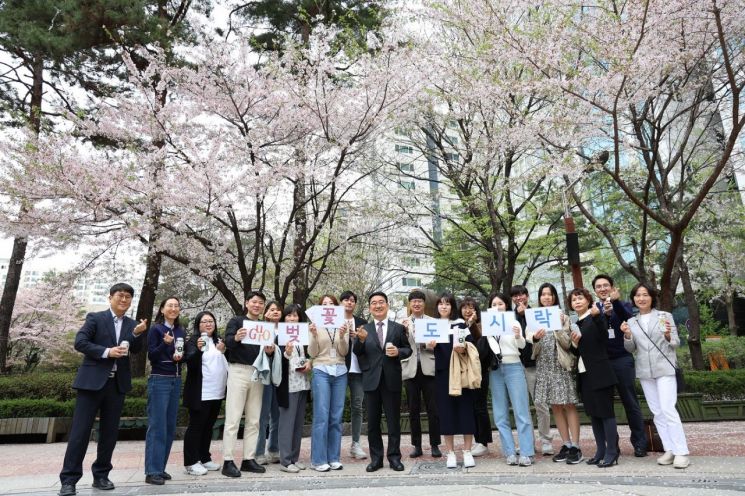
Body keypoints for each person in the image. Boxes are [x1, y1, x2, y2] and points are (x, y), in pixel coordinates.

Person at [58, 283, 147, 496]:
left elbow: (135, 350)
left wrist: (136, 334)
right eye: (120, 296)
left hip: (116, 385)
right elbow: (80, 342)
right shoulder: (96, 318)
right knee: (80, 433)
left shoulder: (133, 324)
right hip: (91, 384)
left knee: (109, 434)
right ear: (110, 298)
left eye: (128, 297)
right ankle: (69, 480)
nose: (124, 300)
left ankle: (101, 475)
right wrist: (107, 352)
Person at [621, 282, 689, 469]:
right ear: (633, 299)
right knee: (657, 412)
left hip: (664, 368)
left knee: (668, 409)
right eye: (637, 295)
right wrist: (627, 335)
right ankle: (669, 449)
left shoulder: (664, 316)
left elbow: (675, 342)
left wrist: (668, 335)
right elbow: (631, 348)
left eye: (645, 295)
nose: (641, 298)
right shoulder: (632, 322)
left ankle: (681, 452)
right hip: (644, 370)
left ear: (652, 297)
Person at [353, 291, 412, 472]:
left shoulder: (398, 328)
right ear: (370, 307)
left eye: (381, 302)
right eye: (373, 303)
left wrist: (398, 352)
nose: (377, 306)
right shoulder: (365, 329)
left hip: (392, 379)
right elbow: (357, 352)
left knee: (393, 422)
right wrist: (360, 341)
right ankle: (376, 459)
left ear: (387, 305)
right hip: (371, 381)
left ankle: (394, 457)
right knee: (373, 423)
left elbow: (408, 349)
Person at [592, 274, 648, 457]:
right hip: (603, 363)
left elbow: (630, 320)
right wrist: (602, 314)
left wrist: (614, 304)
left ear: (612, 287)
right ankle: (612, 445)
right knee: (606, 406)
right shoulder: (593, 309)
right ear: (594, 290)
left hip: (622, 359)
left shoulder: (622, 304)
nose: (602, 289)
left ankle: (639, 443)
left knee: (630, 402)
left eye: (605, 285)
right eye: (598, 286)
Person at [221, 290, 275, 477]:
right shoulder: (236, 322)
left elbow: (268, 353)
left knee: (254, 420)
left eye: (261, 303)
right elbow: (227, 342)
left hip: (257, 373)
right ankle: (228, 461)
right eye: (254, 302)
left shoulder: (264, 326)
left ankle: (248, 459)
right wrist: (236, 337)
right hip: (238, 371)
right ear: (246, 303)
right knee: (233, 418)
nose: (257, 305)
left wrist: (269, 351)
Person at [478, 293, 534, 467]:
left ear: (506, 305)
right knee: (500, 413)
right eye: (493, 304)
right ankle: (509, 452)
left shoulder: (514, 321)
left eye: (500, 303)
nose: (497, 307)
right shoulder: (487, 324)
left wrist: (518, 336)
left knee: (521, 411)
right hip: (495, 370)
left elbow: (523, 346)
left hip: (514, 366)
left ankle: (526, 452)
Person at [529, 283, 582, 464]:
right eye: (543, 294)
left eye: (550, 294)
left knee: (568, 404)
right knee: (555, 406)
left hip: (560, 365)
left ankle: (576, 445)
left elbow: (568, 344)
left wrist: (558, 327)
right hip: (544, 366)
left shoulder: (563, 317)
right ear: (540, 297)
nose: (546, 297)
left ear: (554, 297)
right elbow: (532, 344)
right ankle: (566, 444)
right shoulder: (534, 318)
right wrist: (535, 337)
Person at [569, 287, 619, 468]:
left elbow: (605, 336)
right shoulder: (576, 323)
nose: (577, 302)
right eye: (574, 300)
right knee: (594, 415)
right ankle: (600, 451)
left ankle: (612, 452)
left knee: (606, 413)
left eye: (580, 298)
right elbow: (578, 351)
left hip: (601, 373)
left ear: (588, 300)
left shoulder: (595, 316)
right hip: (585, 374)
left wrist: (598, 316)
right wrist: (574, 344)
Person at [430, 292, 479, 469]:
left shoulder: (459, 324)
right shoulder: (432, 326)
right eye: (441, 304)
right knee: (446, 412)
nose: (444, 307)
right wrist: (430, 345)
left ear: (452, 307)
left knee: (466, 410)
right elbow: (425, 347)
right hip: (442, 374)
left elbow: (470, 345)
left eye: (447, 304)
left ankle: (466, 451)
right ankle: (450, 452)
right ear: (436, 307)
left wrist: (462, 348)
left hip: (461, 373)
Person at [144, 297, 186, 485]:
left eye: (176, 306)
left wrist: (181, 356)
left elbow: (180, 354)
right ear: (162, 309)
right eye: (169, 305)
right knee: (157, 426)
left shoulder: (180, 330)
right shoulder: (156, 329)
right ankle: (152, 471)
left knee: (169, 427)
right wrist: (165, 344)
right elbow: (152, 355)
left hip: (176, 380)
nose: (173, 308)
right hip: (160, 379)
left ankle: (160, 467)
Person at [182, 311, 228, 476]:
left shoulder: (219, 341)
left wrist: (224, 350)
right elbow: (191, 364)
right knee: (196, 427)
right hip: (201, 392)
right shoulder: (194, 341)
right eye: (204, 322)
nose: (208, 324)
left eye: (211, 321)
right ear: (198, 325)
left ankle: (204, 457)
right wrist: (199, 350)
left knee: (208, 426)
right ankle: (190, 462)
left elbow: (226, 361)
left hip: (217, 391)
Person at [510, 285, 553, 456]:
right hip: (513, 365)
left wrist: (525, 315)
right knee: (522, 407)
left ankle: (546, 440)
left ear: (527, 296)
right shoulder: (507, 316)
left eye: (522, 294)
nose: (519, 298)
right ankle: (528, 442)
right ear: (512, 298)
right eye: (515, 295)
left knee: (541, 404)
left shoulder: (536, 313)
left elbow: (539, 336)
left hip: (534, 363)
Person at [309, 294, 349, 472]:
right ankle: (318, 459)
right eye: (324, 304)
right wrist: (313, 335)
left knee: (336, 416)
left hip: (340, 370)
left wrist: (342, 336)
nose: (328, 307)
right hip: (321, 370)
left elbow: (344, 351)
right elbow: (312, 352)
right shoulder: (315, 325)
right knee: (322, 415)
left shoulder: (342, 324)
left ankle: (334, 457)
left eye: (331, 304)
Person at [401, 289, 442, 458]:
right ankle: (416, 445)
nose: (416, 304)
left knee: (434, 409)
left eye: (419, 301)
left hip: (429, 368)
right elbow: (401, 346)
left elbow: (439, 346)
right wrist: (403, 331)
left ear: (424, 304)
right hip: (410, 369)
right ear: (410, 305)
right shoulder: (402, 323)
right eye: (413, 301)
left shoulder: (434, 322)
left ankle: (435, 444)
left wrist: (430, 345)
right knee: (413, 409)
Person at [277, 304, 312, 473]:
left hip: (302, 382)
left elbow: (306, 356)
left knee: (297, 424)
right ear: (284, 318)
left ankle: (294, 457)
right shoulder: (279, 335)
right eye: (289, 316)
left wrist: (308, 363)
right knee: (287, 423)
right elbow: (278, 359)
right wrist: (287, 352)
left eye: (295, 315)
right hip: (288, 385)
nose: (292, 318)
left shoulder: (302, 336)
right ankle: (285, 460)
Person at [460, 295, 492, 457]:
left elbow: (482, 349)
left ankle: (483, 441)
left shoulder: (483, 326)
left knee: (479, 407)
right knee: (469, 407)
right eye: (464, 307)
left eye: (471, 307)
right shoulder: (458, 326)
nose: (467, 310)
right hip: (462, 373)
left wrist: (472, 325)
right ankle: (473, 439)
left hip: (479, 372)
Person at [340, 290, 369, 460]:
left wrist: (358, 339)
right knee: (336, 407)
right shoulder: (334, 321)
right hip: (339, 368)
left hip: (358, 370)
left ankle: (356, 443)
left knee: (357, 406)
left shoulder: (362, 323)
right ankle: (332, 444)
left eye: (352, 300)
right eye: (346, 300)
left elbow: (367, 346)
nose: (349, 303)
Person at [255, 301, 282, 465]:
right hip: (264, 375)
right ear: (266, 313)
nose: (275, 312)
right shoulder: (260, 329)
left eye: (278, 310)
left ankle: (273, 449)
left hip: (280, 376)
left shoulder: (287, 330)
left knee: (277, 415)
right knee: (262, 415)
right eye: (272, 310)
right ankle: (258, 452)